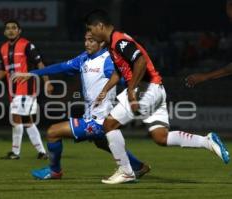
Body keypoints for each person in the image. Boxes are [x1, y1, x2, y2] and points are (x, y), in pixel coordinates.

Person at [84, 9, 230, 184]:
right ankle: (207, 141)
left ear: (100, 26)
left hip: (146, 89)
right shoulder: (114, 44)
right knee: (161, 137)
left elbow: (140, 61)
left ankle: (126, 171)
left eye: (91, 29)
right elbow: (119, 70)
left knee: (109, 124)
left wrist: (131, 89)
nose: (89, 33)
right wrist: (105, 90)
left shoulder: (119, 41)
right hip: (156, 88)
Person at [13, 31, 151, 180]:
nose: (87, 43)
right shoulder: (83, 58)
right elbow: (61, 67)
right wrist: (32, 73)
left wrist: (133, 89)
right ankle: (138, 166)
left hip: (99, 121)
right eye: (86, 40)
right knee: (103, 143)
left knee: (53, 132)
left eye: (91, 41)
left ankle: (54, 171)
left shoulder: (108, 61)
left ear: (102, 43)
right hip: (93, 117)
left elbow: (122, 77)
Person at [0, 20, 53, 160]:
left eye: (14, 28)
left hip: (27, 86)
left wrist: (47, 82)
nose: (11, 30)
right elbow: (3, 69)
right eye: (8, 28)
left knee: (16, 118)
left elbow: (40, 63)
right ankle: (41, 152)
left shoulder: (27, 45)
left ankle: (15, 153)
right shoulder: (3, 48)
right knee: (26, 120)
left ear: (19, 31)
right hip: (13, 90)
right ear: (5, 32)